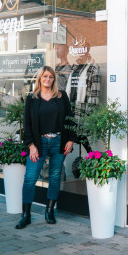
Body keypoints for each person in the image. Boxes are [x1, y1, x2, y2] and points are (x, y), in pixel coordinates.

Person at [16, 66, 76, 229]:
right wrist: (31, 145)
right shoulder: (32, 99)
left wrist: (70, 140)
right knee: (30, 178)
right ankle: (26, 215)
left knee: (55, 177)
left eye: (50, 77)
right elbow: (27, 125)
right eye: (45, 76)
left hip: (58, 142)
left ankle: (49, 211)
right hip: (38, 144)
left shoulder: (61, 96)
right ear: (40, 79)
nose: (48, 79)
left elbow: (70, 119)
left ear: (54, 79)